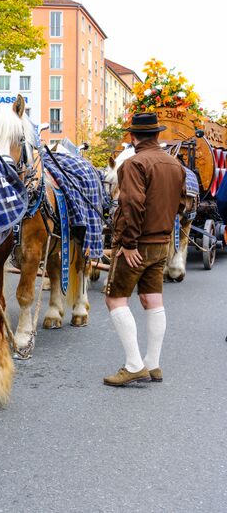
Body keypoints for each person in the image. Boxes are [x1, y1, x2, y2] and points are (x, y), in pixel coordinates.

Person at [103, 112, 186, 386]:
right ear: (157, 134)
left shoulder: (134, 164)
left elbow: (132, 205)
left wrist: (128, 243)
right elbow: (182, 205)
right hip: (162, 243)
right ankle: (153, 364)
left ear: (132, 137)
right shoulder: (175, 165)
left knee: (115, 300)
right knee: (153, 300)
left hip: (137, 245)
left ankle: (134, 365)